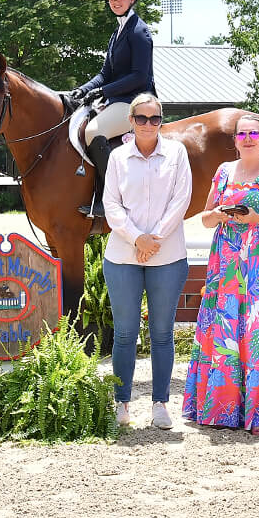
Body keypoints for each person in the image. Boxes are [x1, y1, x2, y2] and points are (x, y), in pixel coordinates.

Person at [183, 113, 259, 435]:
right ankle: (220, 411)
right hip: (225, 263)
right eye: (241, 134)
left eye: (253, 134)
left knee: (258, 334)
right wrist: (220, 215)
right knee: (222, 332)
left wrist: (257, 218)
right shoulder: (223, 171)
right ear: (235, 142)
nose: (247, 138)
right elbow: (205, 219)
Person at [103, 93, 193, 430]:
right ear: (131, 121)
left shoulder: (177, 153)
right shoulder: (117, 158)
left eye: (154, 119)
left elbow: (181, 199)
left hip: (167, 255)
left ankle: (160, 403)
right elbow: (111, 204)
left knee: (162, 334)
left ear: (161, 121)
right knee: (125, 334)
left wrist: (152, 239)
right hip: (123, 256)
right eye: (141, 119)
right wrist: (136, 238)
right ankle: (122, 403)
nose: (148, 125)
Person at [67, 0, 156, 216]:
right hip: (118, 99)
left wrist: (102, 91)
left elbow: (139, 76)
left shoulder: (139, 32)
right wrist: (84, 89)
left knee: (93, 131)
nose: (115, 2)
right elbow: (105, 72)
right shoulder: (117, 33)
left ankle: (111, 199)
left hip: (136, 102)